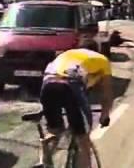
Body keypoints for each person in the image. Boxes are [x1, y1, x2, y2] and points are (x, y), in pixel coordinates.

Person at [39, 40, 112, 168]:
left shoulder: (66, 54)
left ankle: (44, 159)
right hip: (70, 85)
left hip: (47, 84)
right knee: (83, 140)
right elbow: (106, 95)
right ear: (97, 50)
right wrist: (104, 115)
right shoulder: (102, 59)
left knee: (55, 130)